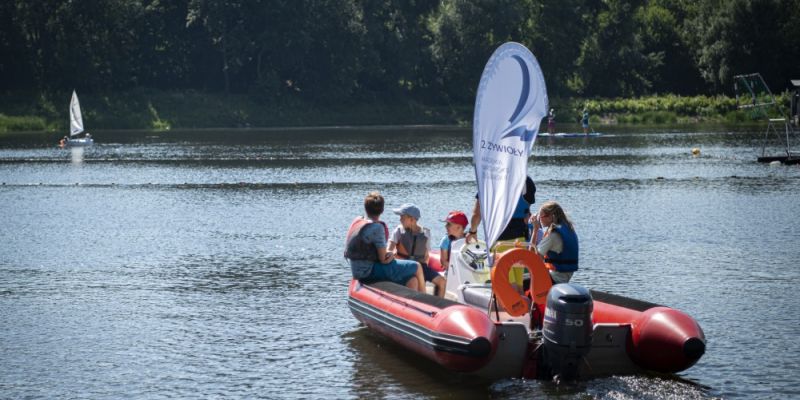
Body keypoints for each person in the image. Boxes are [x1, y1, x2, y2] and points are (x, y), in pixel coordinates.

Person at [466, 175, 536, 291]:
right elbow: (526, 212)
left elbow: (477, 214)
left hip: (500, 240)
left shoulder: (489, 179)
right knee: (518, 285)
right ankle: (523, 307)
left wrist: (472, 231)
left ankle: (513, 307)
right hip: (521, 240)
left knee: (507, 285)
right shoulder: (526, 180)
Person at [344, 192, 425, 292]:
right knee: (417, 266)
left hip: (357, 270)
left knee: (412, 280)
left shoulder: (359, 221)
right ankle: (427, 300)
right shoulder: (377, 227)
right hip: (368, 271)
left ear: (365, 208)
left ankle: (413, 303)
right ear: (382, 210)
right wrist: (390, 255)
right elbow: (383, 259)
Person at [387, 203, 446, 297]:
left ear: (412, 220)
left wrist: (424, 273)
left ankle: (437, 305)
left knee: (442, 282)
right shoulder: (398, 231)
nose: (400, 219)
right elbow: (389, 249)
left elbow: (426, 255)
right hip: (404, 266)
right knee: (414, 283)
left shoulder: (426, 233)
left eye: (402, 217)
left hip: (421, 266)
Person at [530, 200, 579, 284]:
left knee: (520, 281)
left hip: (554, 279)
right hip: (564, 277)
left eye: (541, 217)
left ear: (550, 217)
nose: (539, 220)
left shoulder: (553, 235)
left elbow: (532, 258)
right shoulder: (568, 229)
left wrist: (535, 230)